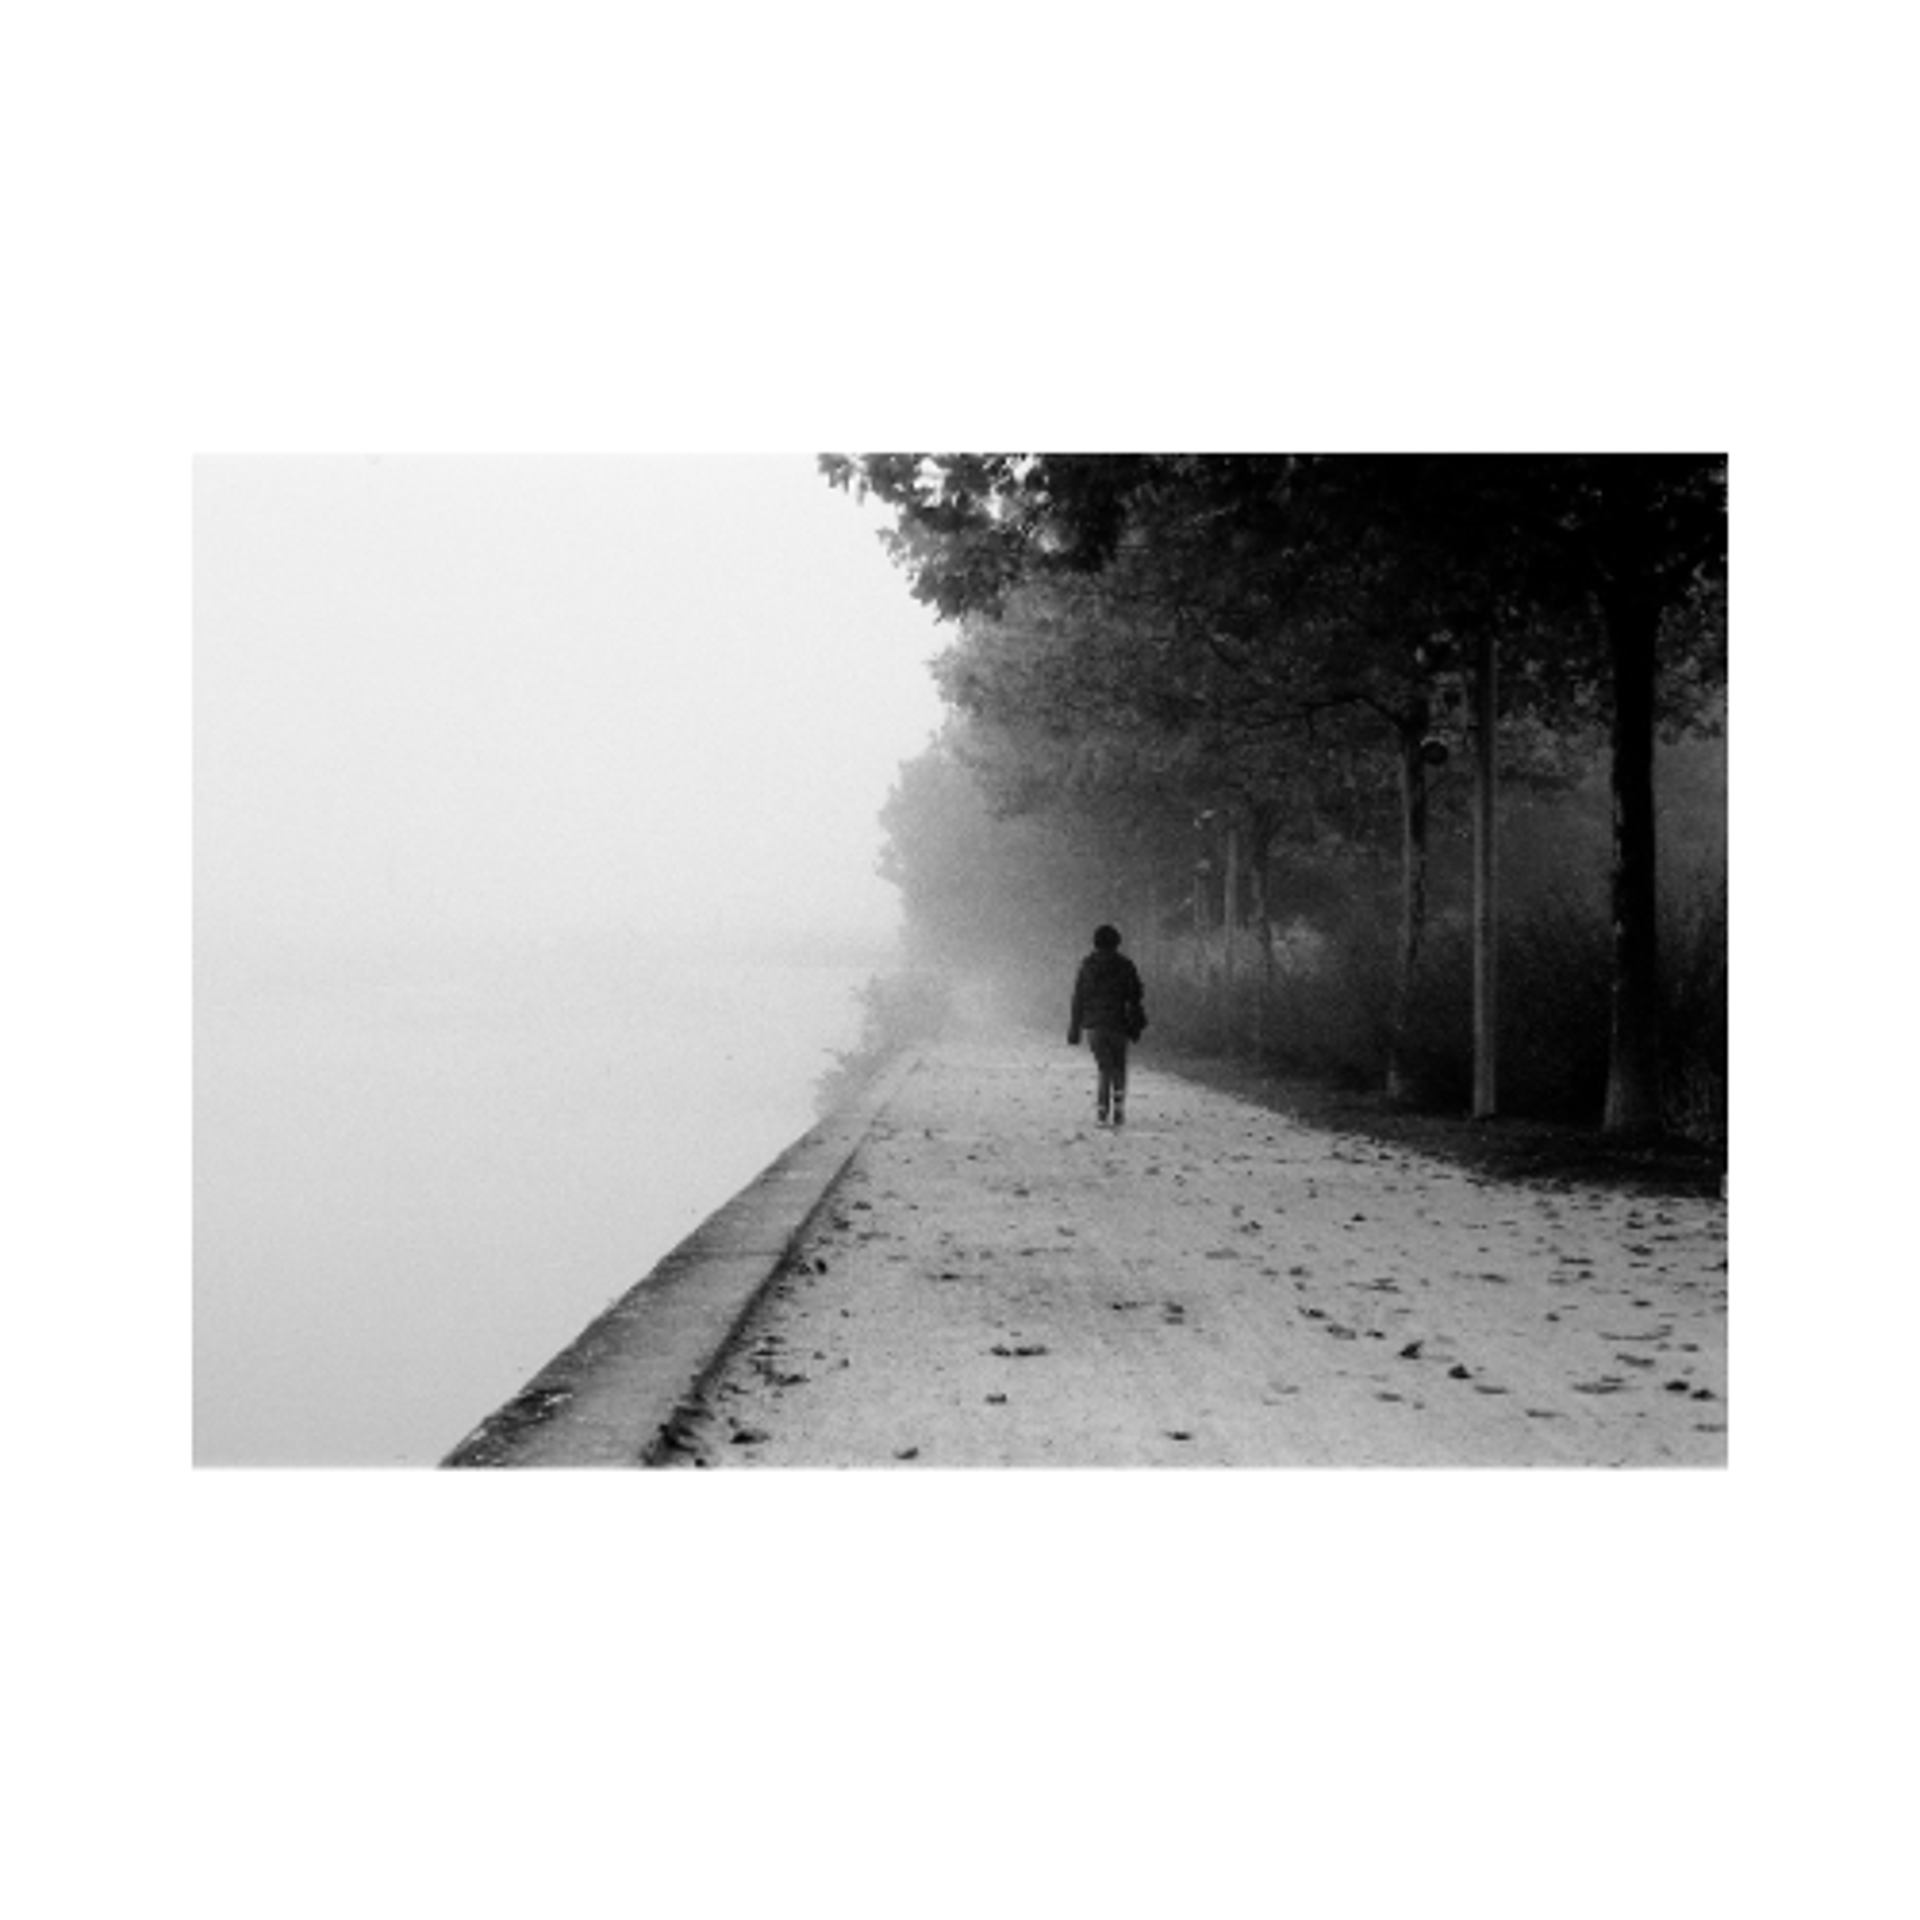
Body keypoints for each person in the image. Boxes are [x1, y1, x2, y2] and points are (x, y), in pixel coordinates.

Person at [1068, 924, 1147, 1126]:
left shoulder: (1087, 966)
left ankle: (1102, 1111)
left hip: (1094, 1025)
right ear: (1117, 942)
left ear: (1096, 942)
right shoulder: (1125, 965)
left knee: (1104, 1067)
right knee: (1119, 1065)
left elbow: (1078, 998)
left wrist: (1074, 1027)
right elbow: (1135, 995)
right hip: (1118, 1023)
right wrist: (1136, 1020)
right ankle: (1119, 1106)